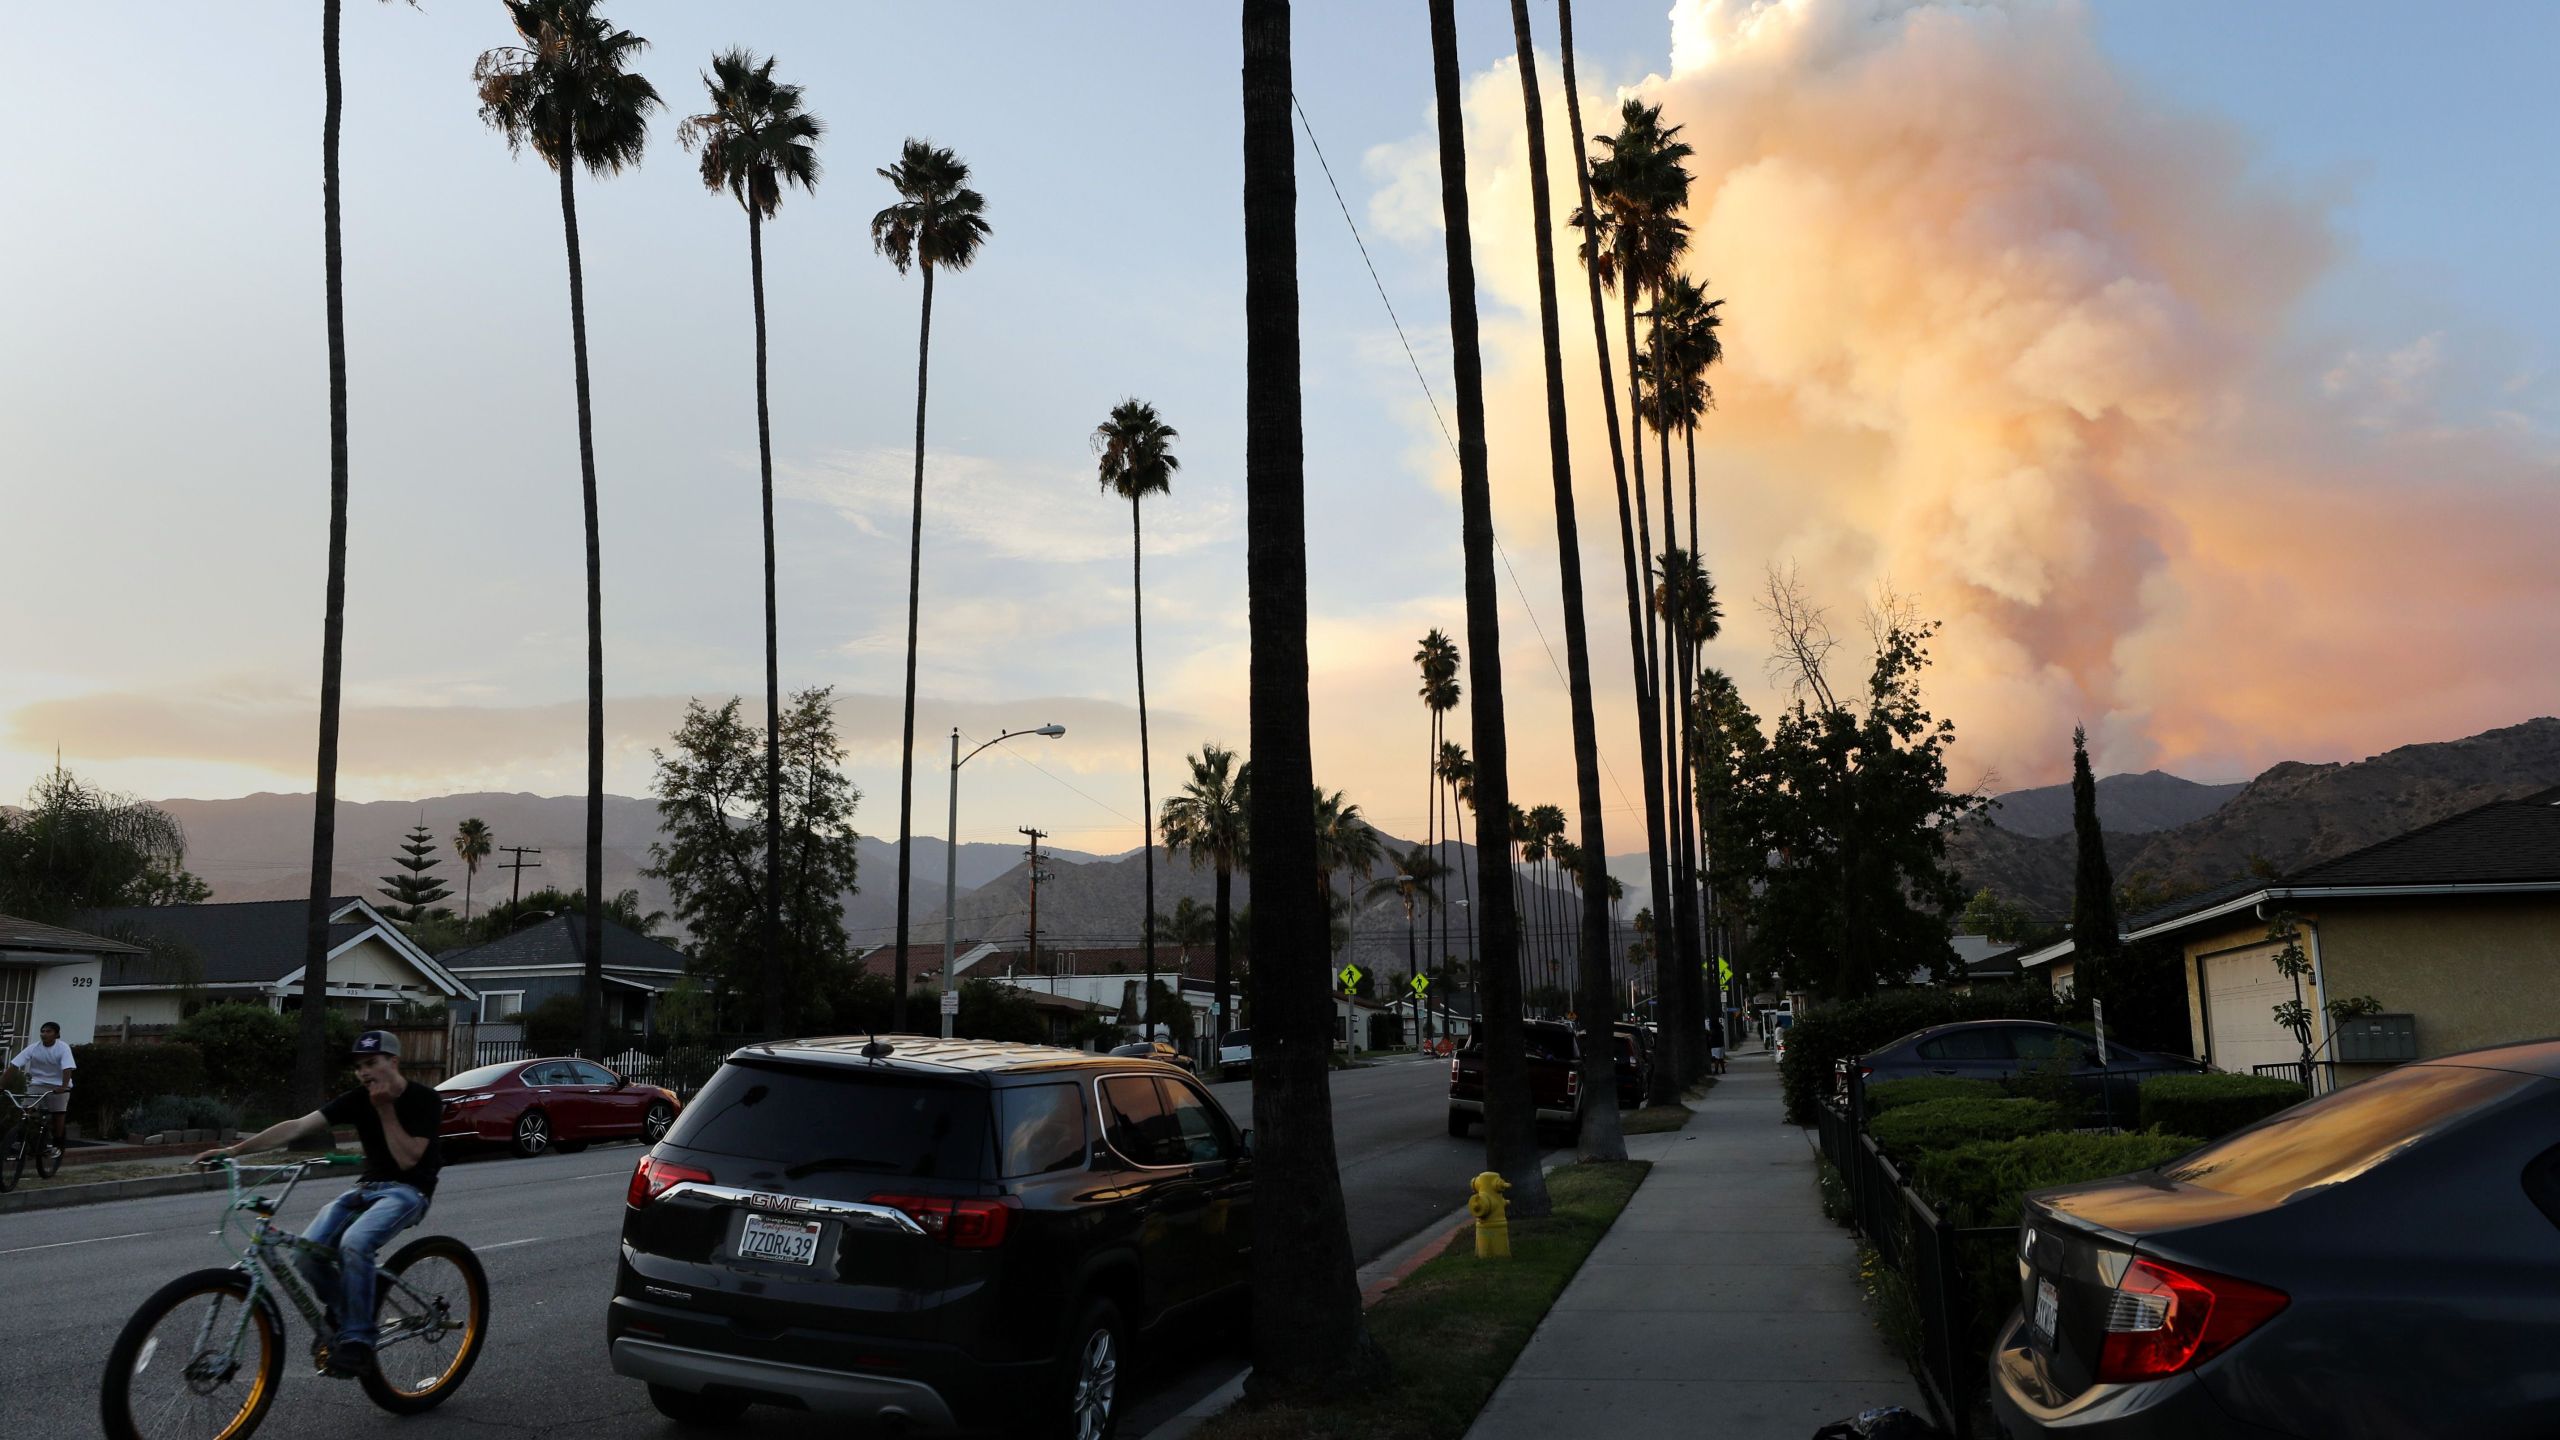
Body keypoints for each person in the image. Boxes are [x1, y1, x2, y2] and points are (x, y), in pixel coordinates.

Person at [196, 1029, 442, 1378]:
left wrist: (385, 1110)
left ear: (393, 1062)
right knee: (306, 1252)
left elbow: (408, 1160)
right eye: (358, 1067)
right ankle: (346, 1315)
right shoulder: (358, 1098)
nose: (363, 1072)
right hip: (367, 1188)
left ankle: (358, 1340)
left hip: (409, 1191)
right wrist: (234, 1150)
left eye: (371, 1063)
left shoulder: (424, 1099)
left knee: (355, 1242)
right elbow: (297, 1127)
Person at [4, 1021, 77, 1159]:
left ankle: (57, 1145)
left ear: (56, 1034)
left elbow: (67, 1068)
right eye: (42, 1031)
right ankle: (22, 1140)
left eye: (48, 1031)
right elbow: (14, 1065)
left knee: (58, 1114)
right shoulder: (33, 1048)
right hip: (38, 1083)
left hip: (59, 1085)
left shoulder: (63, 1048)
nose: (44, 1034)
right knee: (27, 1110)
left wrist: (63, 1086)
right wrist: (1, 1085)